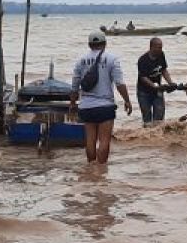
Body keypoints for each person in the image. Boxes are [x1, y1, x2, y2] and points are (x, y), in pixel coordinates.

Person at [70, 31, 133, 164]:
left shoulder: (81, 60)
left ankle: (91, 167)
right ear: (104, 44)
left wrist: (73, 102)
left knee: (90, 140)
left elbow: (75, 84)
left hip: (86, 106)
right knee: (104, 140)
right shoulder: (112, 59)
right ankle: (101, 169)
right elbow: (119, 83)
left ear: (89, 44)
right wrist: (127, 101)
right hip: (105, 106)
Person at [136, 37, 176, 125]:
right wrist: (155, 86)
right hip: (144, 92)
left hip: (158, 91)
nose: (160, 49)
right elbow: (143, 77)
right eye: (158, 47)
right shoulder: (142, 60)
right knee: (147, 119)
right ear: (151, 47)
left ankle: (158, 136)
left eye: (161, 47)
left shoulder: (161, 55)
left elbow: (164, 70)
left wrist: (170, 83)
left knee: (159, 118)